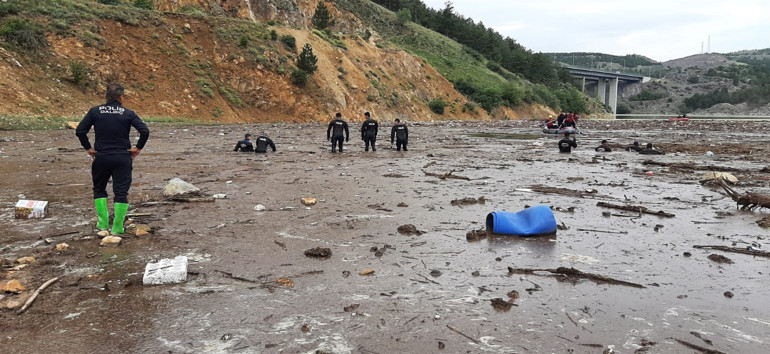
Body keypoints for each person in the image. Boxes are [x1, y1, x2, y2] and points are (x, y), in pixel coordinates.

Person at [76, 83, 149, 235]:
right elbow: (144, 131)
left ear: (106, 96)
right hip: (122, 157)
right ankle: (117, 227)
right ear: (122, 97)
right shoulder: (128, 113)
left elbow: (80, 130)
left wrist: (88, 148)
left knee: (99, 188)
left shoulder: (95, 111)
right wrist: (137, 148)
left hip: (101, 156)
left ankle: (102, 225)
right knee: (121, 192)